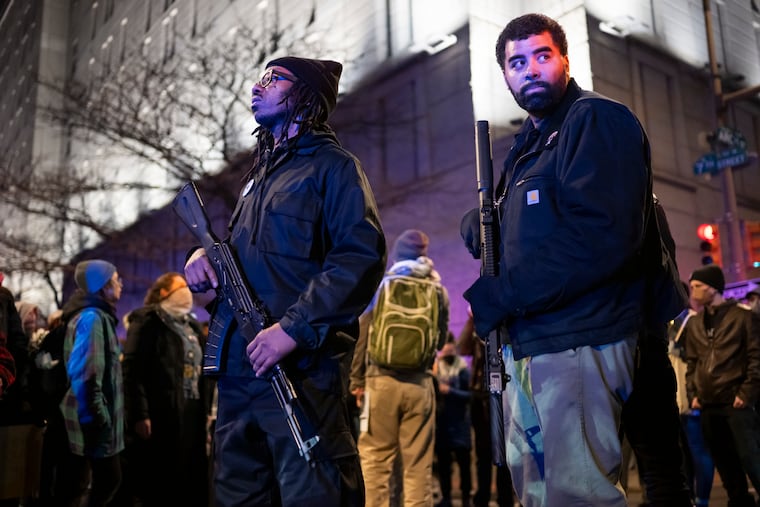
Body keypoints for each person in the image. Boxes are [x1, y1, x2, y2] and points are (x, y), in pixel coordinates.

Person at [461, 13, 661, 506]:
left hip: (578, 339)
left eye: (542, 56)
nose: (530, 69)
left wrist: (501, 294)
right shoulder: (529, 145)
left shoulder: (593, 119)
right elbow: (532, 233)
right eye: (517, 62)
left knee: (577, 495)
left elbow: (601, 236)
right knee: (536, 492)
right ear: (505, 75)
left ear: (565, 60)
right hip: (533, 343)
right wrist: (484, 225)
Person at [184, 55, 386, 506]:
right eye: (260, 77)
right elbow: (241, 261)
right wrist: (202, 259)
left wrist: (292, 329)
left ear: (306, 94)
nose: (258, 86)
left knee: (315, 493)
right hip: (240, 373)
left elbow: (360, 259)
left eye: (274, 79)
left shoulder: (334, 167)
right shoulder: (256, 178)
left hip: (302, 375)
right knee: (237, 495)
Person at [349, 229, 449, 507]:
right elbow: (440, 340)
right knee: (418, 467)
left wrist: (356, 381)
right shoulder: (437, 289)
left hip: (381, 383)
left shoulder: (382, 285)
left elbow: (363, 333)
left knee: (376, 461)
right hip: (420, 385)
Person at [121, 272, 211, 506]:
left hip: (191, 406)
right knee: (162, 476)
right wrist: (140, 414)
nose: (186, 292)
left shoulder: (191, 324)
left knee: (189, 471)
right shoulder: (147, 320)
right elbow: (132, 370)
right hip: (161, 410)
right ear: (164, 293)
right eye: (179, 287)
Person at [683, 264, 760, 507]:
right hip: (708, 403)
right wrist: (693, 392)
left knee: (751, 457)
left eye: (698, 286)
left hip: (736, 402)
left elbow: (756, 358)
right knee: (724, 461)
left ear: (713, 289)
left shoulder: (743, 316)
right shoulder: (696, 323)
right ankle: (739, 500)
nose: (693, 291)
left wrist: (746, 392)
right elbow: (692, 362)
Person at [57, 259, 125, 507]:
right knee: (103, 482)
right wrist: (99, 419)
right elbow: (86, 375)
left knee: (102, 483)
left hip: (97, 423)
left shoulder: (98, 316)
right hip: (93, 425)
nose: (121, 285)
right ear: (103, 286)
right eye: (117, 280)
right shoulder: (92, 318)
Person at [457, 310, 516, 507]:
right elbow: (462, 349)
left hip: (504, 395)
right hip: (479, 397)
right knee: (482, 453)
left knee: (506, 450)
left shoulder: (507, 327)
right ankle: (481, 497)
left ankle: (505, 498)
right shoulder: (477, 330)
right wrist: (471, 319)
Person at [433, 337, 472, 507]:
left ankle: (465, 499)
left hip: (460, 425)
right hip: (442, 426)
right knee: (444, 466)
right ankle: (446, 498)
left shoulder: (463, 369)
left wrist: (450, 390)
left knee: (464, 466)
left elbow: (469, 396)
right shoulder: (437, 369)